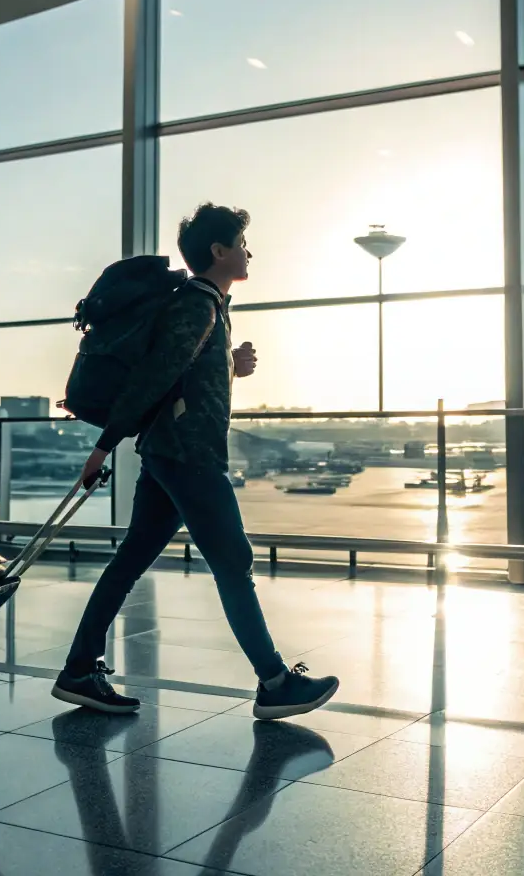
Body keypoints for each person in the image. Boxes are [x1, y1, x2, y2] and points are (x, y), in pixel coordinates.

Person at [52, 203, 340, 720]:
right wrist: (103, 446)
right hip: (189, 457)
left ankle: (78, 671)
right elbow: (154, 378)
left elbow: (180, 375)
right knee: (234, 562)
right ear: (219, 251)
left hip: (171, 453)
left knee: (130, 561)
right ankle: (274, 682)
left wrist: (229, 366)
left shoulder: (207, 304)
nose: (249, 251)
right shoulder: (198, 304)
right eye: (242, 243)